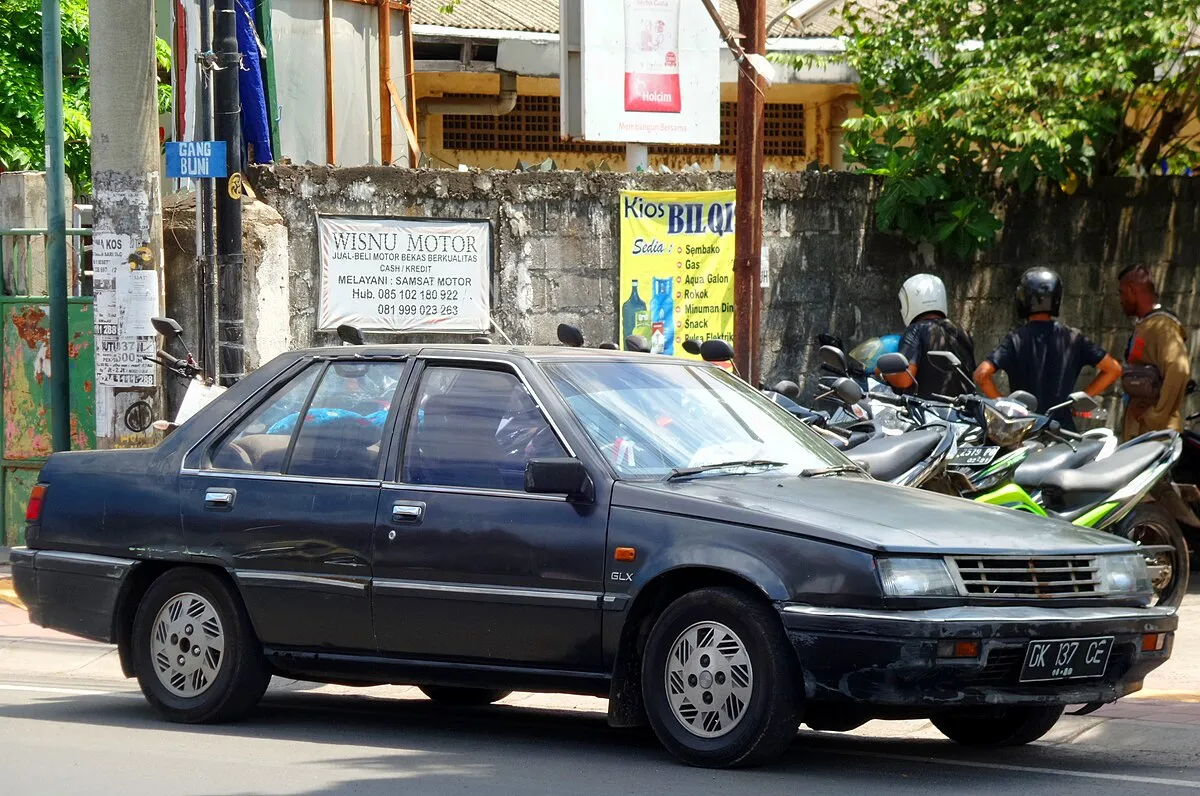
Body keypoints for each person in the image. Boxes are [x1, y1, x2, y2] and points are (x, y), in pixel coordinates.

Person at [973, 268, 1121, 430]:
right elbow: (1113, 369)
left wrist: (1007, 408)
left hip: (1024, 430)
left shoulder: (1016, 339)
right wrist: (1079, 401)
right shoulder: (1073, 338)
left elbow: (981, 375)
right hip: (1062, 432)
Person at [1119, 265, 1192, 438]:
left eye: (1121, 292)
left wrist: (1156, 416)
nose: (1120, 299)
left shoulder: (1162, 326)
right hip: (1142, 434)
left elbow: (1179, 368)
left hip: (1155, 437)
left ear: (1131, 290)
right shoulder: (1147, 325)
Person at [886, 273, 977, 399]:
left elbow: (904, 379)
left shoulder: (916, 330)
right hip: (962, 412)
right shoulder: (963, 333)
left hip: (928, 413)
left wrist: (883, 373)